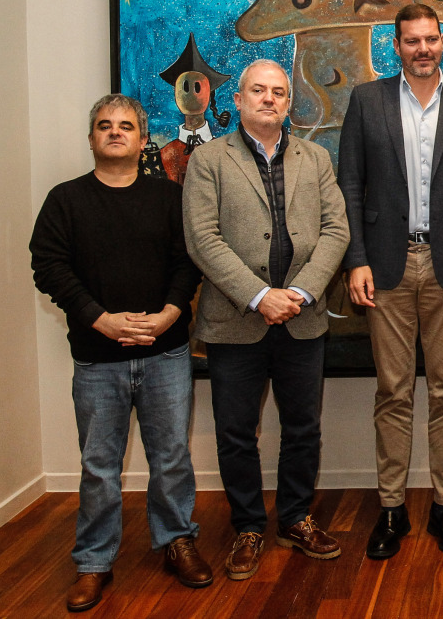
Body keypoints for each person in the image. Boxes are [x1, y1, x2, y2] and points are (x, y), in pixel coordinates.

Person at [30, 94, 211, 612]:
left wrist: (171, 314)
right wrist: (100, 319)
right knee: (99, 466)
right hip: (96, 357)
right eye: (105, 126)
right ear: (92, 138)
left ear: (140, 138)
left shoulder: (167, 198)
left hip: (166, 353)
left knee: (172, 458)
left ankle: (177, 541)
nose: (115, 133)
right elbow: (49, 266)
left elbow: (188, 263)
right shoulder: (64, 200)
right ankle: (93, 562)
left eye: (125, 126)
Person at [338, 3, 443, 559]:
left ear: (442, 43)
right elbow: (349, 188)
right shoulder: (367, 100)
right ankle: (391, 509)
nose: (423, 49)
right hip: (384, 267)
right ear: (397, 46)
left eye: (431, 39)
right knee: (393, 390)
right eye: (412, 41)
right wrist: (355, 259)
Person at [183, 59, 349, 580]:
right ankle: (249, 528)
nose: (270, 99)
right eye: (259, 90)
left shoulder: (316, 158)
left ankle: (297, 518)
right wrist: (259, 296)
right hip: (235, 322)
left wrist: (298, 292)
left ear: (287, 101)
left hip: (302, 317)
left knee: (303, 428)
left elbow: (335, 231)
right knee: (236, 432)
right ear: (237, 99)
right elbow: (202, 239)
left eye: (278, 91)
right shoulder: (209, 160)